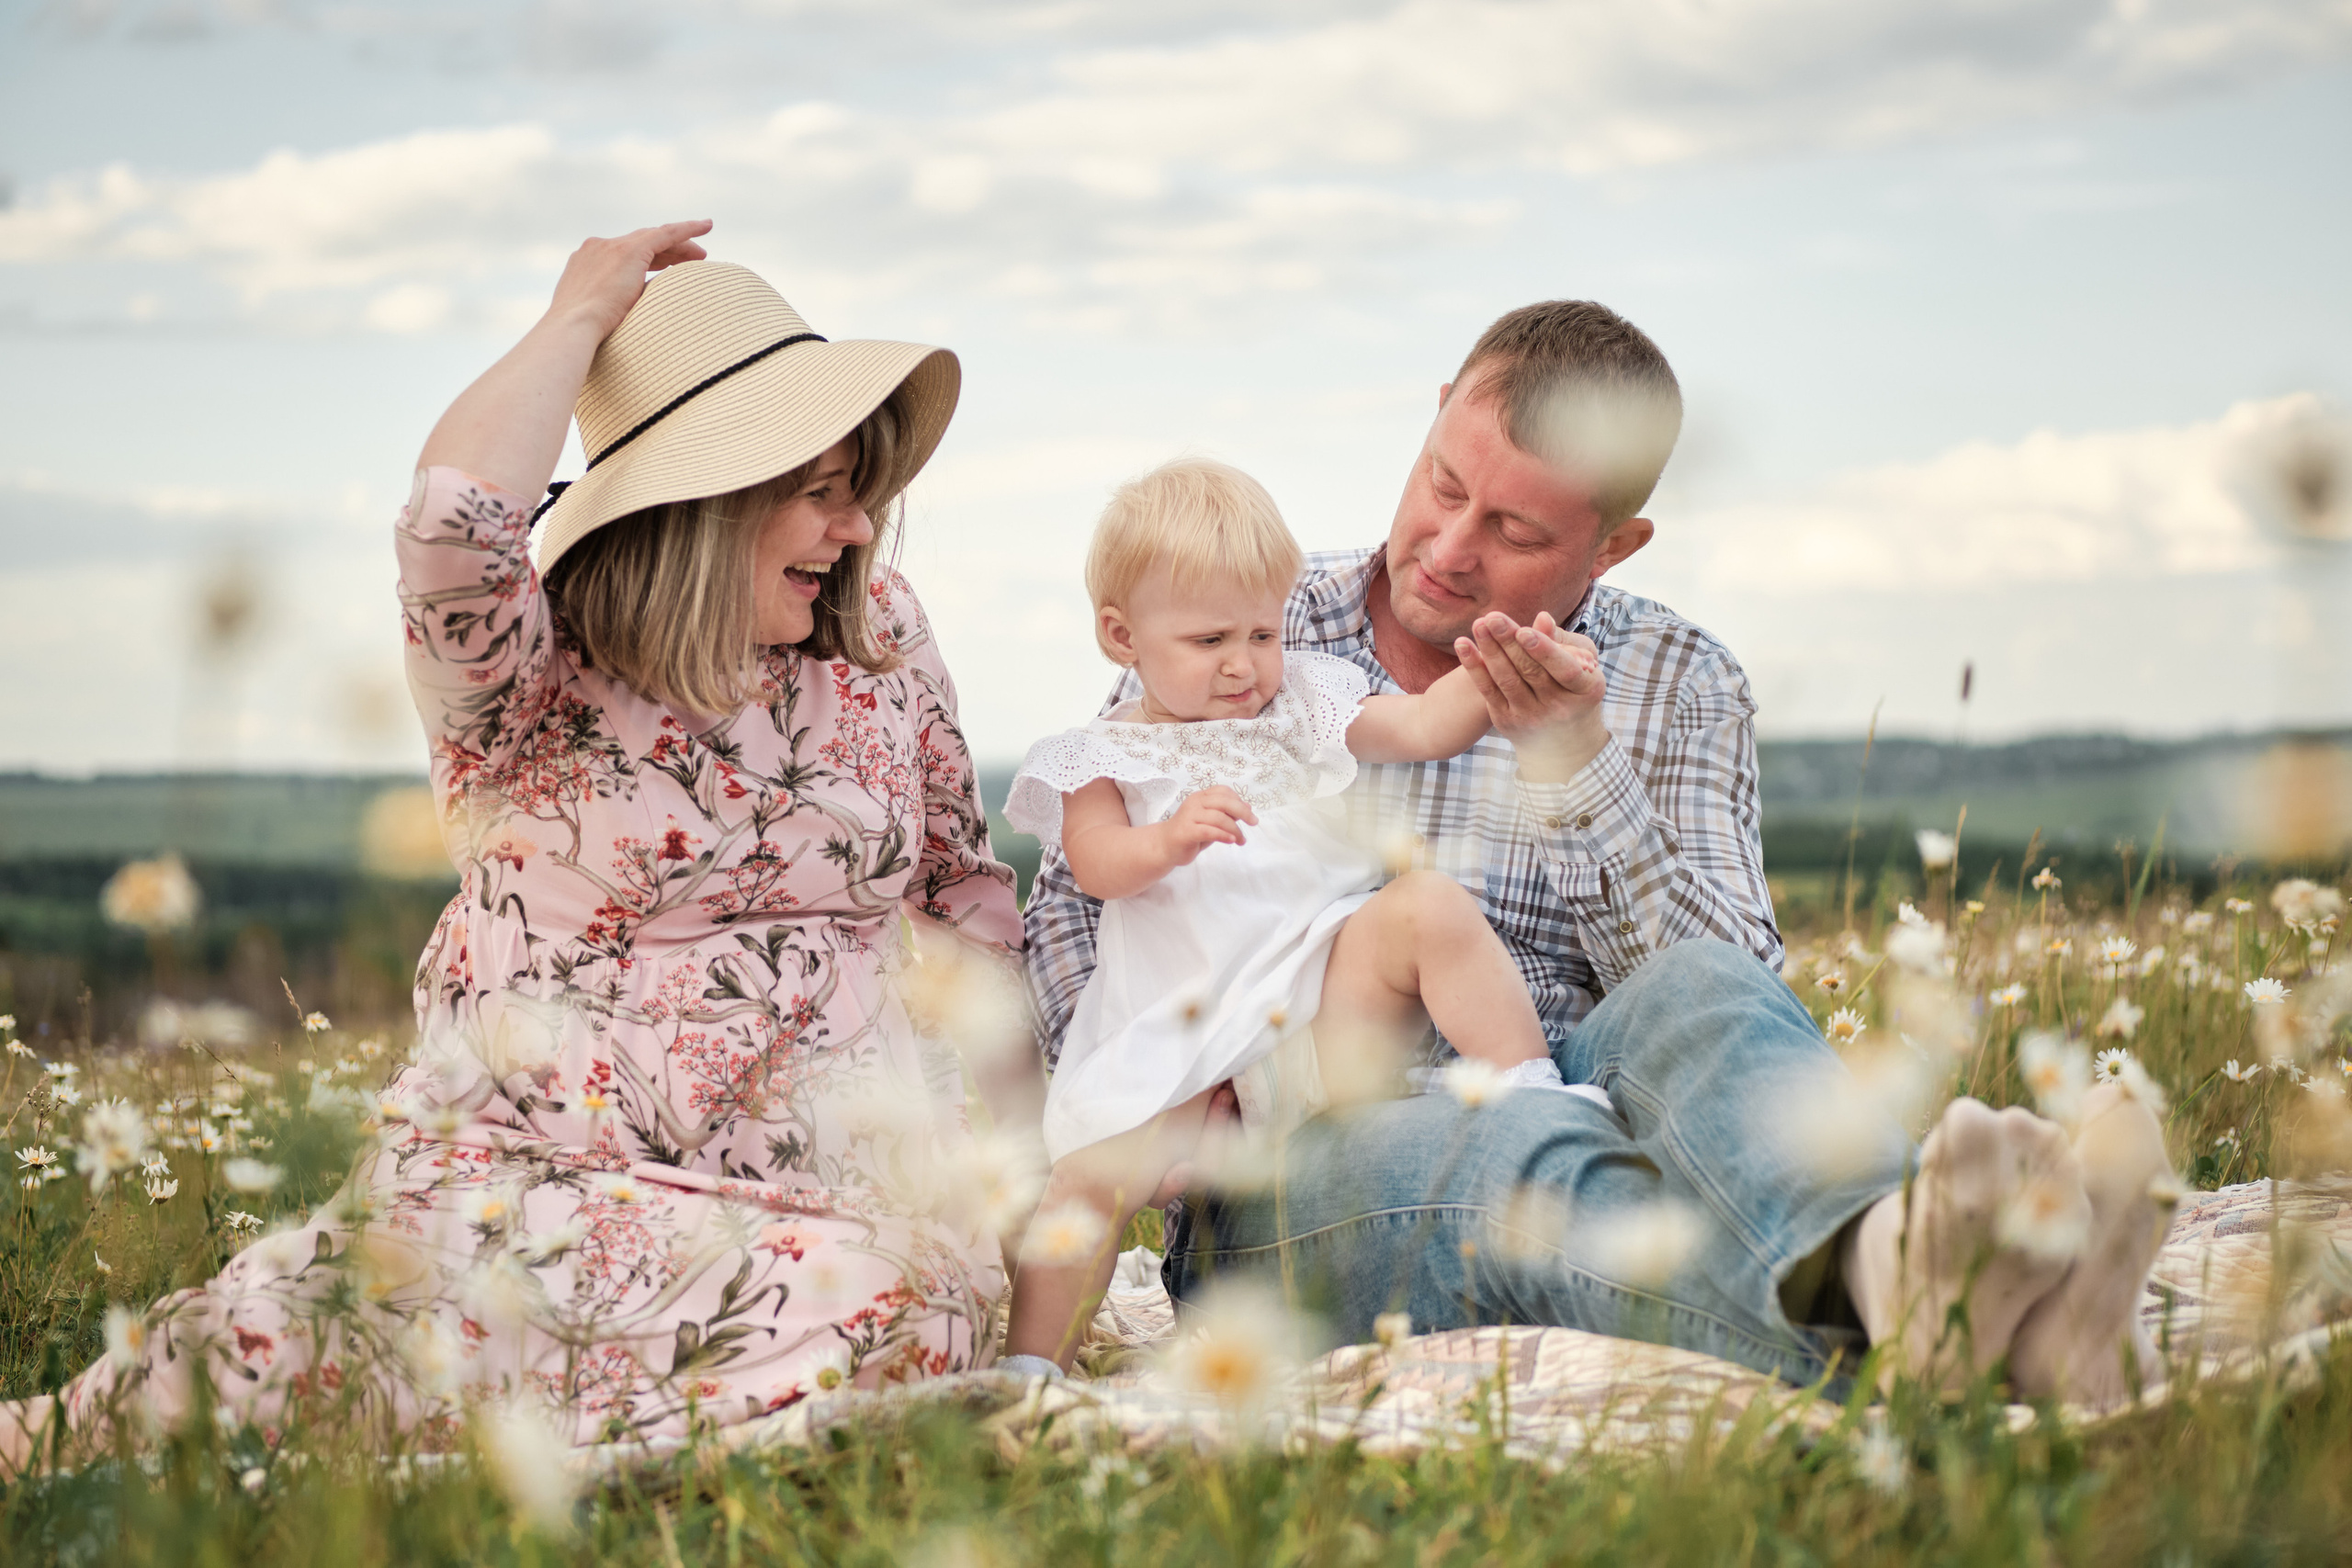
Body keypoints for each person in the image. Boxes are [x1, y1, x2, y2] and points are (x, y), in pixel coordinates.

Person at [2, 222, 1037, 1469]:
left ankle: (504, 1443)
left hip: (833, 1213)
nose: (860, 527)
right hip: (520, 1188)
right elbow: (450, 527)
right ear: (704, 502)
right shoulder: (524, 677)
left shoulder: (880, 639)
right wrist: (580, 318)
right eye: (819, 491)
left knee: (907, 1303)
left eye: (861, 486)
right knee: (261, 1360)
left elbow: (968, 899)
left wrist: (1023, 1177)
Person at [1023, 301, 2177, 1404]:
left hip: (1574, 1084)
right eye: (1443, 484)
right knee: (1515, 1146)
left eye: (1515, 532)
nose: (1449, 551)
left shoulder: (1679, 678)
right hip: (1289, 1167)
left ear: (1614, 546)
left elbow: (1735, 1004)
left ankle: (1901, 1264)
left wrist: (1576, 765)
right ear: (1431, 417)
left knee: (1701, 995)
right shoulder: (1242, 614)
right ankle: (1955, 1299)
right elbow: (1083, 906)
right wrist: (1183, 1088)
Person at [996, 457, 1603, 1370]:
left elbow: (1426, 725)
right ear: (1122, 637)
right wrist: (1166, 841)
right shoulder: (1099, 756)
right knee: (1086, 1185)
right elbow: (1097, 866)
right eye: (1208, 641)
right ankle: (1030, 1367)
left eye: (1263, 633)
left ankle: (1533, 1095)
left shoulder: (1303, 705)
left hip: (1319, 1000)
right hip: (1185, 1032)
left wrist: (1507, 670)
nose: (1244, 665)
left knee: (1427, 907)